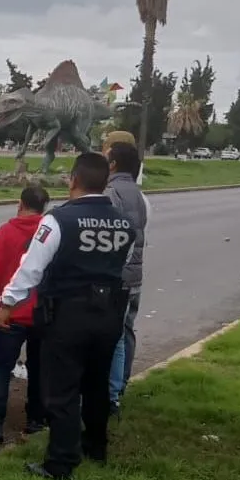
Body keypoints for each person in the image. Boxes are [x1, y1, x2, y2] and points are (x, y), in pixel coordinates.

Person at [0, 152, 135, 480]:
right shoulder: (123, 221)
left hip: (69, 314)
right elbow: (124, 263)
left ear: (73, 179)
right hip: (109, 314)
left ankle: (60, 463)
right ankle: (95, 447)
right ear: (104, 181)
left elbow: (31, 268)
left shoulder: (58, 220)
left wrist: (8, 303)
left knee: (62, 390)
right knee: (97, 384)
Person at [0, 185, 50, 444]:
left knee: (1, 368)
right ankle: (36, 421)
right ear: (44, 207)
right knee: (40, 368)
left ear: (19, 204)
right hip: (42, 315)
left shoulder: (5, 233)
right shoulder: (50, 233)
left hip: (10, 315)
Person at [103, 141, 148, 414]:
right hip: (135, 275)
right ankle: (119, 387)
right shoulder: (140, 196)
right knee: (125, 332)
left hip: (117, 277)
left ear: (113, 164)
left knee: (114, 337)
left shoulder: (112, 194)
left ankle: (111, 395)